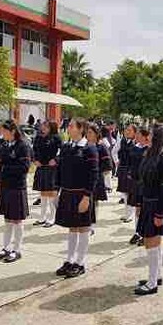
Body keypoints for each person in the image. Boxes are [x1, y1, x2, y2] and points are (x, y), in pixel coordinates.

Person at [134, 124, 163, 295]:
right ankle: (156, 275)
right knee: (152, 241)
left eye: (152, 134)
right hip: (148, 202)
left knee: (151, 241)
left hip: (158, 205)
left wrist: (160, 213)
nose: (149, 136)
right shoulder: (152, 153)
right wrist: (140, 202)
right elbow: (142, 180)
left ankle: (152, 283)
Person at [55, 118, 98, 278]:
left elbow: (93, 175)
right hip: (67, 192)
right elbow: (60, 170)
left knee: (83, 227)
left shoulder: (89, 149)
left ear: (81, 129)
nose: (69, 128)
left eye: (72, 126)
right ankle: (69, 260)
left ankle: (80, 263)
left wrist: (87, 197)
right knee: (72, 227)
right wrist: (57, 190)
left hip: (81, 194)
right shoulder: (66, 147)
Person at [0, 120, 31, 263]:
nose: (2, 134)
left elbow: (25, 167)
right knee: (7, 218)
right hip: (6, 185)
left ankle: (17, 250)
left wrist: (3, 167)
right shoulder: (5, 145)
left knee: (17, 219)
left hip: (17, 186)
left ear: (13, 131)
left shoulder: (23, 146)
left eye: (4, 131)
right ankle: (6, 248)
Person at [32, 121, 62, 228]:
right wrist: (34, 160)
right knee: (43, 193)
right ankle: (42, 217)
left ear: (51, 128)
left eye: (45, 126)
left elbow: (61, 152)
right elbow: (33, 151)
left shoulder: (56, 138)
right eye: (42, 126)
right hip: (41, 167)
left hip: (52, 168)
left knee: (52, 194)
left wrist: (56, 160)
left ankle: (53, 217)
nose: (43, 128)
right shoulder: (38, 138)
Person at [127, 127, 149, 244]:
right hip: (136, 182)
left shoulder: (149, 149)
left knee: (144, 209)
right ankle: (137, 232)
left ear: (145, 136)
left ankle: (144, 233)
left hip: (145, 182)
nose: (137, 136)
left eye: (139, 134)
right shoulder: (135, 148)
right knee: (137, 208)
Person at [88, 123, 112, 228]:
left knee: (94, 201)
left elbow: (107, 165)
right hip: (84, 178)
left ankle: (92, 224)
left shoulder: (101, 147)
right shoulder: (84, 145)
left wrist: (98, 172)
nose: (88, 135)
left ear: (96, 134)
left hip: (96, 178)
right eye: (87, 132)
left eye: (90, 132)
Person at [112, 124, 136, 211]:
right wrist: (116, 161)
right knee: (124, 191)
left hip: (132, 170)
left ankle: (130, 213)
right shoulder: (121, 141)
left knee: (131, 192)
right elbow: (114, 151)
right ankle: (127, 212)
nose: (127, 132)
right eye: (126, 130)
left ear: (134, 132)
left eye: (130, 130)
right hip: (122, 168)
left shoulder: (137, 143)